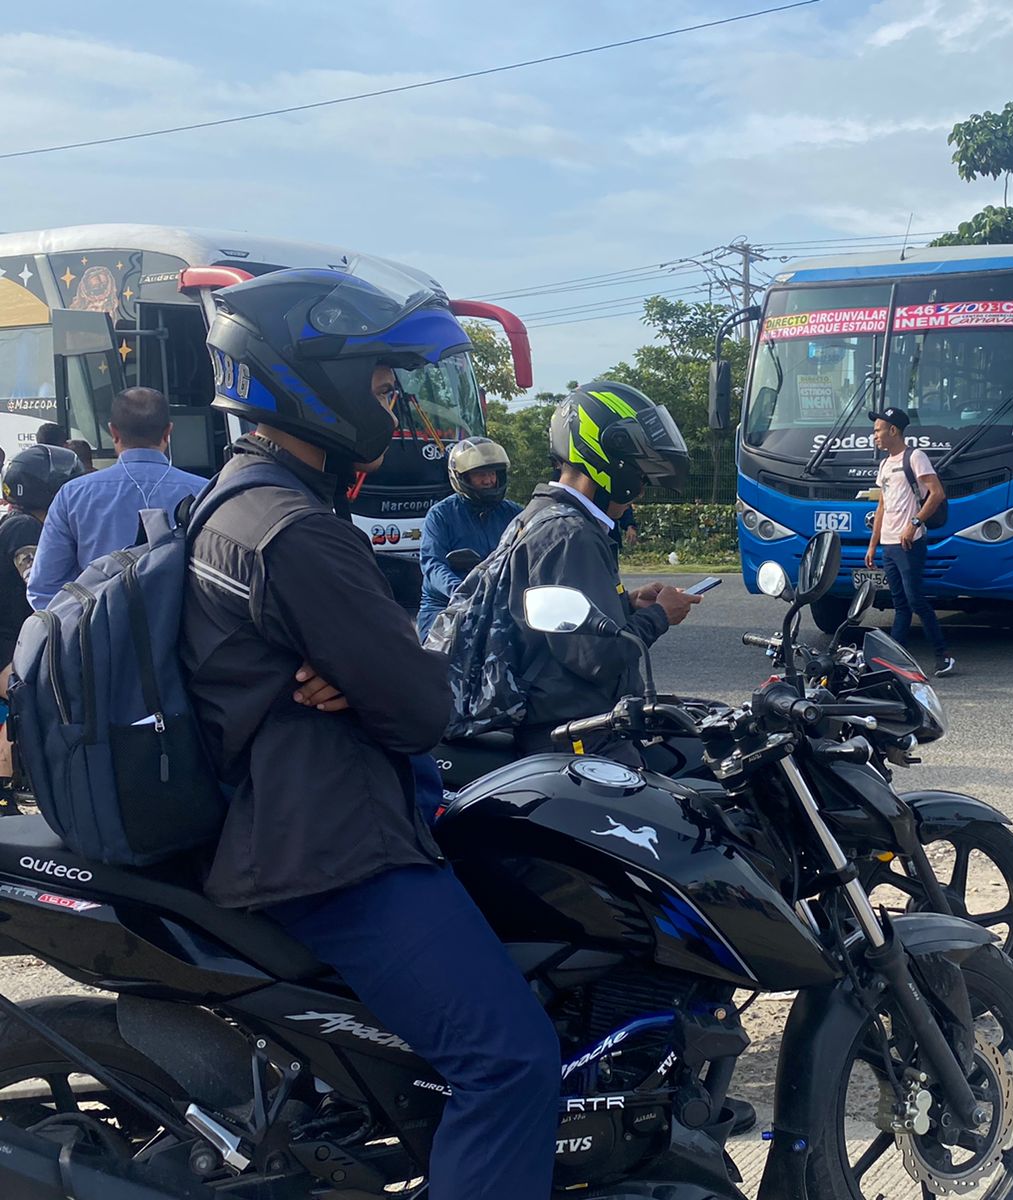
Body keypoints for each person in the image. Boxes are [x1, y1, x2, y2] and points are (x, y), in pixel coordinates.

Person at [183, 268, 559, 1200]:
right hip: (335, 847)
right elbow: (423, 704)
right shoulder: (291, 529)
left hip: (297, 823)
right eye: (384, 384)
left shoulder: (235, 499)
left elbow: (386, 682)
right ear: (315, 380)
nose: (393, 403)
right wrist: (377, 682)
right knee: (510, 1063)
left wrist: (363, 680)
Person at [507, 381, 700, 757]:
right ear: (607, 458)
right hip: (578, 734)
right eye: (640, 477)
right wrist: (662, 615)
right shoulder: (569, 533)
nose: (641, 491)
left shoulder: (546, 517)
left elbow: (562, 621)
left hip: (570, 722)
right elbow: (595, 656)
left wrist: (626, 605)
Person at [28, 388, 206, 608]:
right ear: (168, 432)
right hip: (184, 636)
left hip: (96, 635)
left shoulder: (72, 495)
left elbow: (44, 589)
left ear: (113, 432)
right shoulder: (204, 493)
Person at [0, 446, 84, 812]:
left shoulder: (13, 520)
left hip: (7, 641)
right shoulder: (25, 528)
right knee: (30, 704)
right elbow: (38, 585)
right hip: (8, 648)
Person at [863, 407, 954, 677]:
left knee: (915, 600)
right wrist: (873, 544)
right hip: (890, 545)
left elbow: (936, 493)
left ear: (893, 430)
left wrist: (913, 524)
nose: (874, 436)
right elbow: (882, 506)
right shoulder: (885, 464)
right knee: (900, 604)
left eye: (878, 430)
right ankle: (893, 662)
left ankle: (943, 655)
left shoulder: (915, 457)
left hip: (910, 542)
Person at [417, 437, 520, 640]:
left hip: (499, 603)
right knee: (442, 658)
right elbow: (433, 564)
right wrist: (462, 591)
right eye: (481, 474)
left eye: (492, 473)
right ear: (462, 477)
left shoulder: (513, 513)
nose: (489, 480)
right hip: (445, 605)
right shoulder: (441, 515)